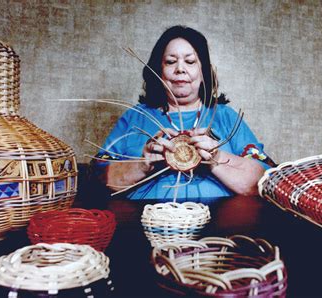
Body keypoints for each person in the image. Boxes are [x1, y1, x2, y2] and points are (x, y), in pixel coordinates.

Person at [94, 25, 274, 202]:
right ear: (159, 71)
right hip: (144, 220)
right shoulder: (134, 118)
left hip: (219, 222)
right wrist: (142, 165)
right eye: (171, 61)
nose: (180, 69)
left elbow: (265, 180)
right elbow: (98, 177)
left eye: (190, 61)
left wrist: (216, 158)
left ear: (203, 72)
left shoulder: (225, 116)